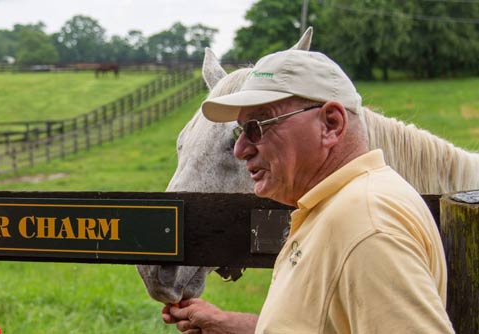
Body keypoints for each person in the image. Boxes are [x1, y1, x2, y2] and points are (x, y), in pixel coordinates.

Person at [162, 49, 455, 333]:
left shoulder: (367, 227)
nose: (240, 150)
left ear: (331, 124)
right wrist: (238, 326)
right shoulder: (333, 207)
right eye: (240, 132)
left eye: (256, 127)